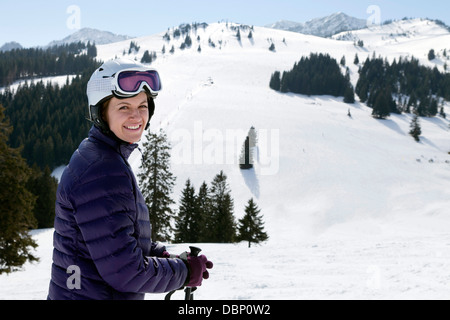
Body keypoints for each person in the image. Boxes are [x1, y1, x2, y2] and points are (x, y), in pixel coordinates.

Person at [48, 59, 213, 300]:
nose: (136, 116)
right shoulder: (103, 172)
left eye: (143, 106)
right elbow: (127, 272)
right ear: (101, 112)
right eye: (123, 107)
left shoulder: (99, 155)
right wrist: (184, 271)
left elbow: (115, 239)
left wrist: (164, 257)